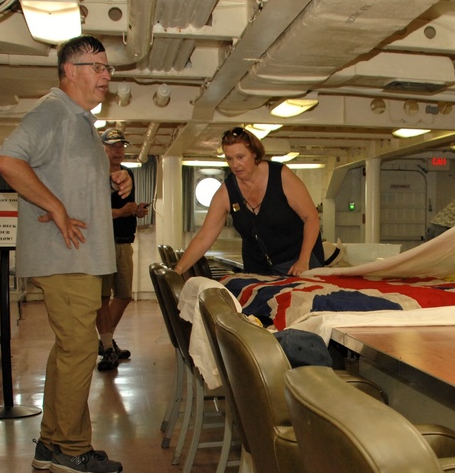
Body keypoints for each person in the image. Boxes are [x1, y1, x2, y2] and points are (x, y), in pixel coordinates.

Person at [0, 35, 131, 473]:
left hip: (77, 257)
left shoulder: (79, 120)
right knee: (77, 350)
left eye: (107, 68)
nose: (106, 75)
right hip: (68, 257)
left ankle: (52, 443)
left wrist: (113, 180)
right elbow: (8, 160)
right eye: (97, 66)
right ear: (70, 70)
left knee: (66, 350)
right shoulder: (54, 111)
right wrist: (55, 208)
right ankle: (72, 449)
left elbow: (66, 174)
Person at [174, 127, 323, 277]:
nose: (235, 165)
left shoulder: (281, 176)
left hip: (297, 263)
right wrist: (178, 271)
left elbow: (311, 218)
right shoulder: (227, 191)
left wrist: (304, 260)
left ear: (254, 154)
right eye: (229, 159)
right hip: (259, 269)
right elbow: (204, 236)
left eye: (240, 157)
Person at [96, 128, 149, 372]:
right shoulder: (95, 174)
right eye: (113, 146)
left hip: (125, 240)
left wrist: (136, 211)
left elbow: (125, 205)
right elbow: (92, 214)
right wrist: (121, 212)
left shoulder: (127, 174)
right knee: (103, 298)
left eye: (121, 146)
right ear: (102, 148)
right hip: (103, 242)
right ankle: (107, 347)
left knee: (124, 294)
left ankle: (105, 342)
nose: (119, 150)